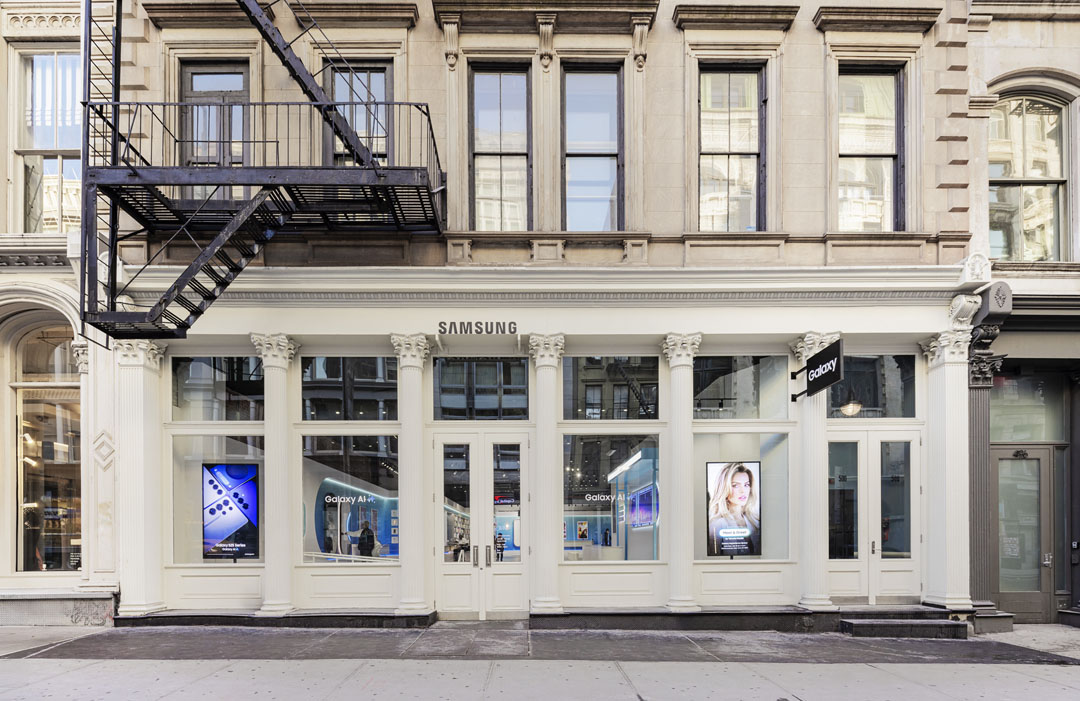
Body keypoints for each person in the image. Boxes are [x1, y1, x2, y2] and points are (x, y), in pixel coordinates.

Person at [707, 462, 761, 556]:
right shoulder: (717, 524)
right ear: (724, 488)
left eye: (746, 484)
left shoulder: (755, 520)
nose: (743, 491)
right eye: (735, 485)